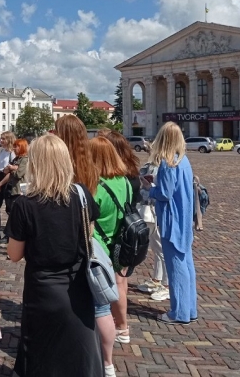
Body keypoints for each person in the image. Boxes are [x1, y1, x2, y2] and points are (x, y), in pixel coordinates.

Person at [6, 134, 103, 377]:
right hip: (77, 283)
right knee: (77, 351)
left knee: (41, 352)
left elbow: (14, 254)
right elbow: (88, 234)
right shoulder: (81, 195)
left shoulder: (25, 204)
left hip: (43, 288)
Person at [144, 122, 198, 324]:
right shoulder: (183, 160)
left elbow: (164, 194)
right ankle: (190, 309)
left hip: (171, 220)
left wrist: (149, 188)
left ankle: (179, 312)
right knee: (186, 264)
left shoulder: (168, 163)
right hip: (184, 219)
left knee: (176, 267)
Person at [88, 136, 132, 376]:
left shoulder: (97, 186)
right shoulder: (124, 181)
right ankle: (123, 327)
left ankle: (104, 358)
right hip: (120, 243)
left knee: (100, 304)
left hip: (100, 249)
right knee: (120, 285)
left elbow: (90, 220)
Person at [98, 130, 145, 340]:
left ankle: (122, 326)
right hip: (125, 233)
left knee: (116, 283)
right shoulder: (130, 175)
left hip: (112, 237)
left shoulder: (113, 179)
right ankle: (120, 324)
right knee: (122, 281)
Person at [136, 162, 169, 301]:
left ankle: (167, 285)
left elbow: (162, 191)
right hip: (149, 209)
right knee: (156, 247)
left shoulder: (165, 166)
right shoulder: (151, 164)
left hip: (155, 210)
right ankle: (157, 279)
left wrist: (147, 187)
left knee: (162, 248)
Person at [54, 115, 99, 202]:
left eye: (56, 132)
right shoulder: (92, 166)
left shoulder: (60, 167)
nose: (54, 135)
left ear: (63, 136)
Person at [0, 131, 15, 242]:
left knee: (10, 209)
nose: (1, 141)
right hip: (0, 179)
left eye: (3, 139)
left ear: (9, 140)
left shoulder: (12, 153)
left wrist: (0, 184)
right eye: (1, 139)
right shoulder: (1, 151)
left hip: (7, 182)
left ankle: (9, 234)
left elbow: (11, 173)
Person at [2, 138, 29, 218]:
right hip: (11, 188)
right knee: (9, 209)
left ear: (22, 147)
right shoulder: (16, 159)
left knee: (17, 211)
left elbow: (19, 174)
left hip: (20, 189)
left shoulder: (25, 159)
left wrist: (12, 169)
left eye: (16, 146)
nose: (14, 148)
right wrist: (12, 168)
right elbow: (5, 171)